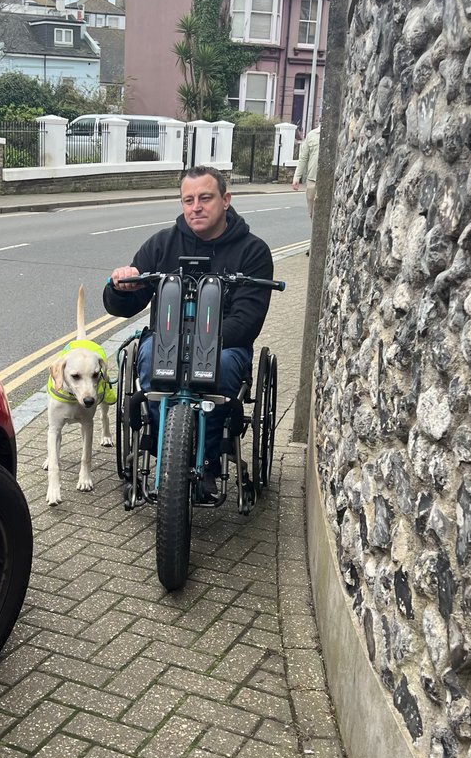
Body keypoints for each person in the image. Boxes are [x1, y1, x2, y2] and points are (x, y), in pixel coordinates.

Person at [104, 166, 273, 497]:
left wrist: (200, 344)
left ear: (225, 200)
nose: (196, 206)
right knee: (150, 356)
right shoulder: (162, 245)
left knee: (218, 369)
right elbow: (126, 304)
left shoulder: (253, 252)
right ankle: (164, 450)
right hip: (167, 343)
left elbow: (247, 320)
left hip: (225, 346)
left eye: (205, 198)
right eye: (188, 200)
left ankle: (208, 461)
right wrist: (120, 288)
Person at [292, 121, 321, 220]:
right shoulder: (311, 135)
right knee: (312, 212)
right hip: (312, 180)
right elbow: (303, 158)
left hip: (328, 180)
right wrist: (296, 177)